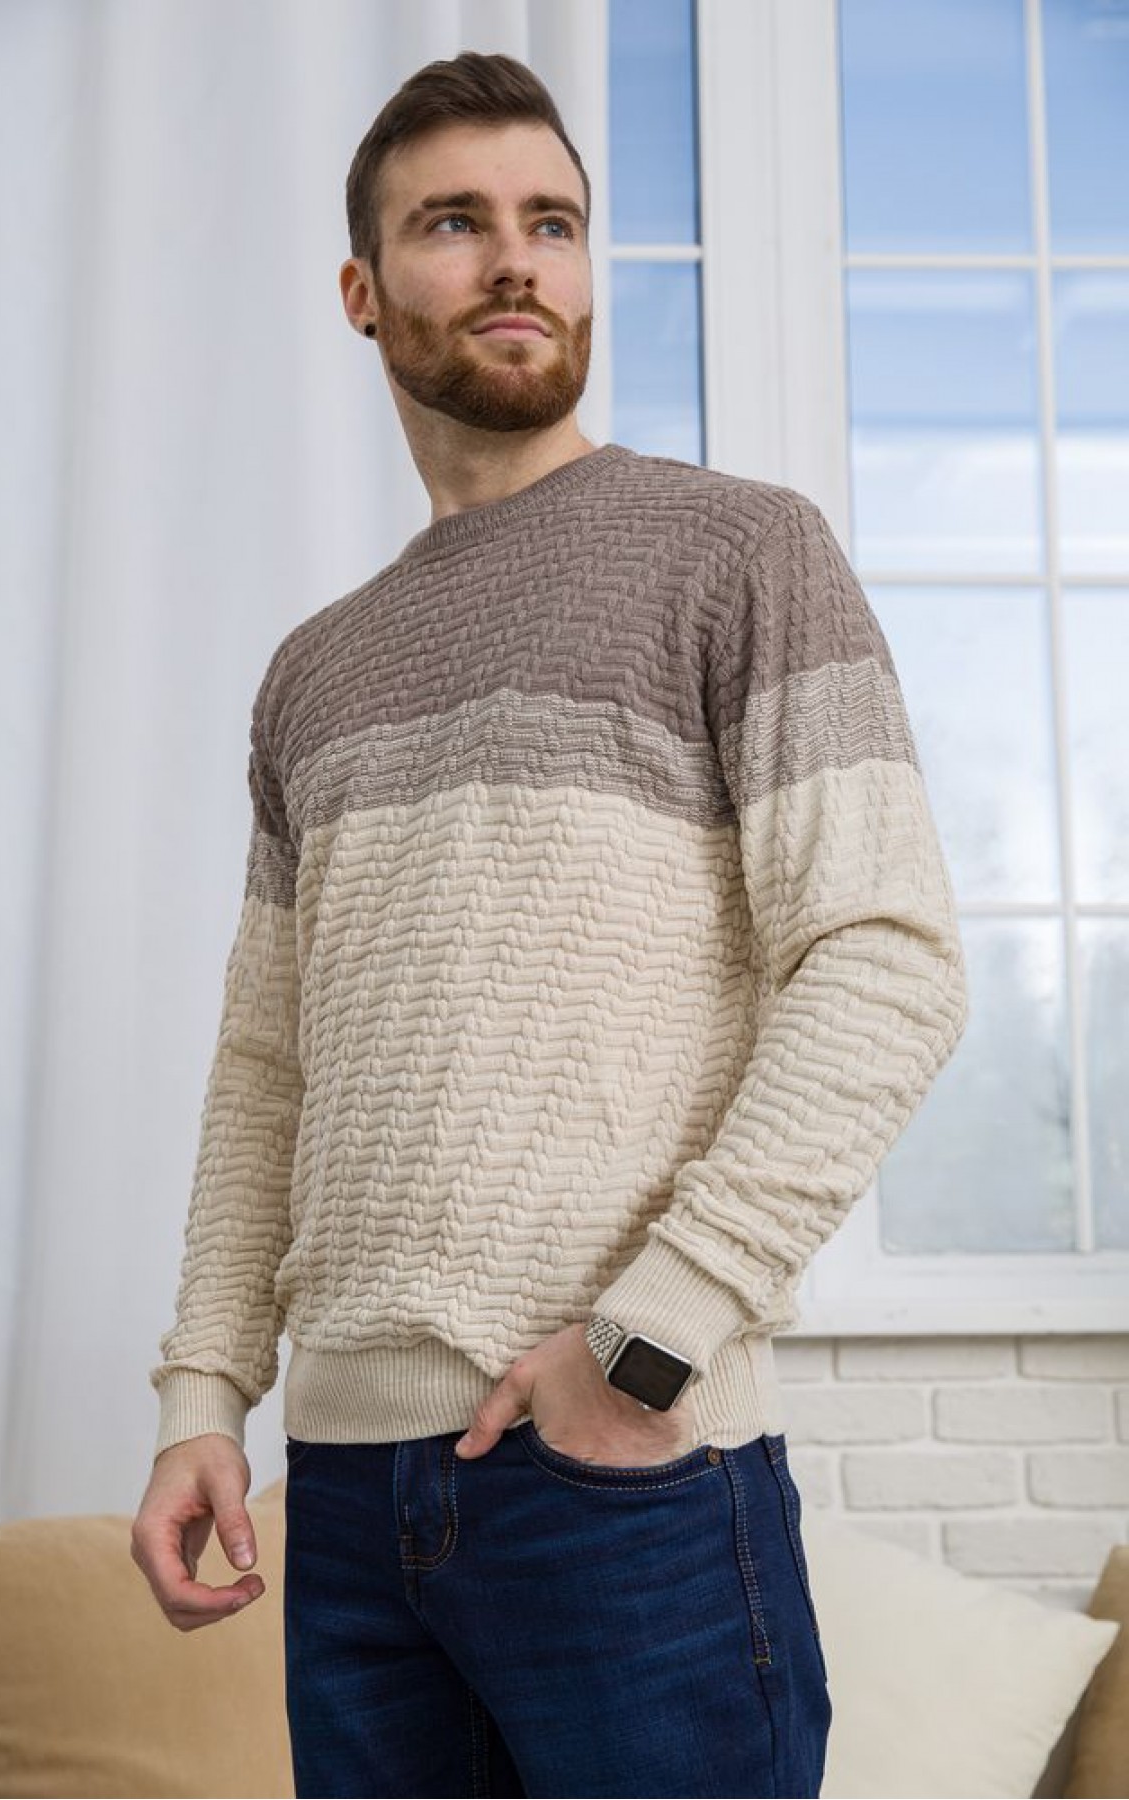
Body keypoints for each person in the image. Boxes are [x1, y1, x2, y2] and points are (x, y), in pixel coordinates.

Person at [130, 49, 969, 1800]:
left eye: (554, 222)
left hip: (625, 1479)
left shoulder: (741, 553)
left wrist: (645, 1341)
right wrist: (205, 1396)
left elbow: (886, 960)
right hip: (347, 1504)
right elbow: (268, 1066)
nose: (518, 258)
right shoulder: (312, 673)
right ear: (362, 292)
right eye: (456, 222)